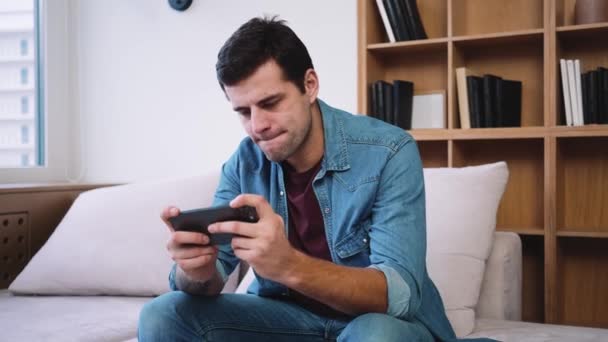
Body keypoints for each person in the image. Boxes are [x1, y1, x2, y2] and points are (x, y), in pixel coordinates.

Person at [138, 16, 494, 342]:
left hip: (374, 323)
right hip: (286, 321)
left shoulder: (389, 150)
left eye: (271, 102)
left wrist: (289, 265)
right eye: (244, 112)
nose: (257, 126)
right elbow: (214, 274)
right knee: (162, 314)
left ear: (310, 85)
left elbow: (399, 295)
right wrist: (195, 271)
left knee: (377, 334)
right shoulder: (244, 164)